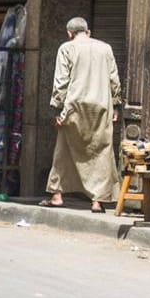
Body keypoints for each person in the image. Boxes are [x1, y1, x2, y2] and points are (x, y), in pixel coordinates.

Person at [45, 17, 122, 213]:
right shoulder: (106, 48)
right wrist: (116, 105)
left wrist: (57, 107)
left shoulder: (67, 48)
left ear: (69, 34)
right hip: (101, 106)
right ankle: (97, 201)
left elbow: (61, 81)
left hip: (75, 106)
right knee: (101, 151)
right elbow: (114, 79)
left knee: (64, 150)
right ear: (88, 32)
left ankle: (57, 195)